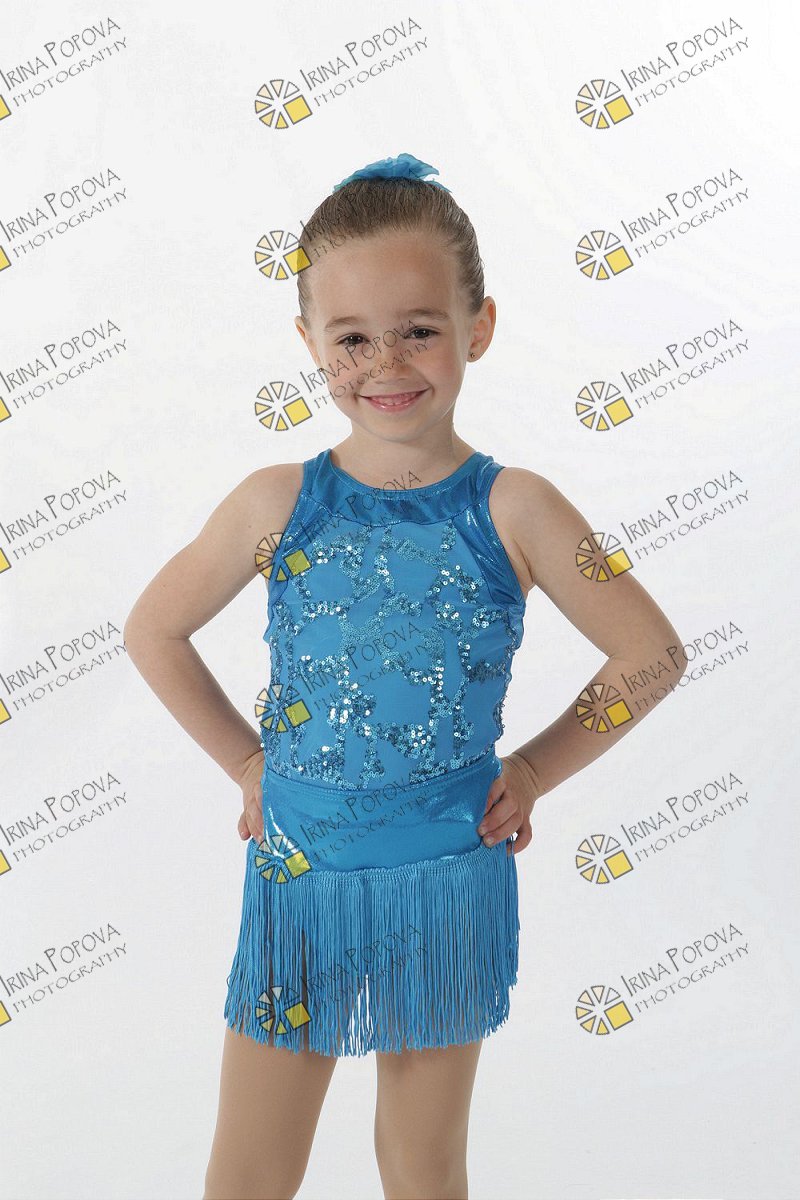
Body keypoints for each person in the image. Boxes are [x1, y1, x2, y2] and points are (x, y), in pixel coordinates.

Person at [123, 152, 689, 1200]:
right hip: (300, 878)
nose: (385, 361)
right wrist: (246, 764)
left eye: (419, 328)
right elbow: (155, 629)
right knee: (250, 1169)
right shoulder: (274, 502)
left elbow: (651, 654)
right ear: (309, 343)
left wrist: (536, 768)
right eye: (351, 338)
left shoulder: (518, 507)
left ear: (478, 326)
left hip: (446, 879)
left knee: (423, 1166)